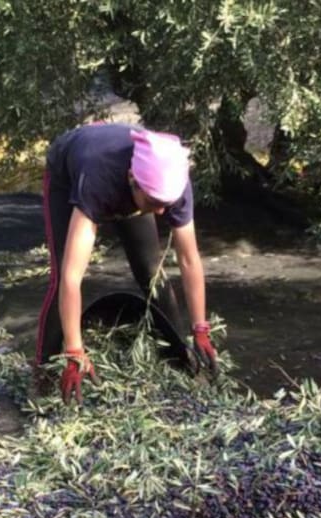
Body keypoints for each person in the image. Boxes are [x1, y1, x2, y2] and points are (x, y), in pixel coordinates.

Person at [36, 123, 219, 403]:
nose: (160, 212)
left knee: (150, 273)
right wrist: (74, 351)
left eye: (166, 205)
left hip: (135, 180)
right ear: (132, 179)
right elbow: (73, 276)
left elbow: (189, 259)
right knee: (61, 277)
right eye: (155, 202)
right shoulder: (99, 181)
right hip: (72, 167)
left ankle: (182, 360)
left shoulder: (171, 185)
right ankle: (44, 379)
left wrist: (200, 328)